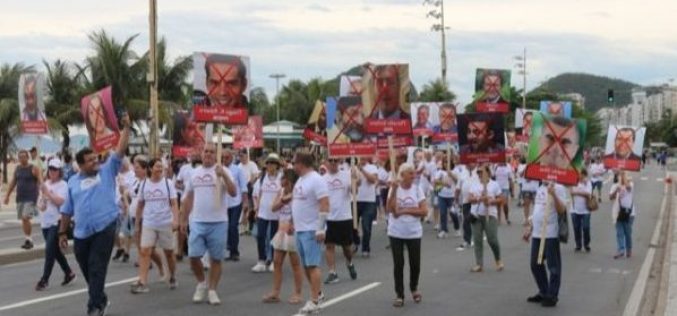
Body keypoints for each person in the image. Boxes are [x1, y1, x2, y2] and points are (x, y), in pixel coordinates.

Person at [57, 113, 130, 316]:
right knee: (87, 269)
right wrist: (62, 233)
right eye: (90, 161)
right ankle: (101, 297)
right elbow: (66, 210)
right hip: (81, 232)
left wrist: (126, 129)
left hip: (105, 226)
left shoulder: (107, 170)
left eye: (95, 158)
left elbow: (120, 150)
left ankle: (94, 307)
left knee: (97, 267)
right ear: (80, 165)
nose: (95, 161)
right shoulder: (72, 182)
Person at [180, 143, 237, 305]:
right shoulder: (194, 173)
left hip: (218, 221)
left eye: (212, 152)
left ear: (216, 154)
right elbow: (188, 197)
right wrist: (184, 219)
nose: (208, 154)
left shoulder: (223, 171)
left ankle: (212, 290)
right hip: (197, 221)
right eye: (206, 151)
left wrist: (223, 176)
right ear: (201, 153)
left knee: (216, 259)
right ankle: (201, 283)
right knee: (193, 256)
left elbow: (233, 192)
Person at [129, 158, 180, 294]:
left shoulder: (168, 184)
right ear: (151, 169)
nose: (159, 169)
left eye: (161, 167)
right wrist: (137, 225)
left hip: (165, 222)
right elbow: (140, 205)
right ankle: (143, 282)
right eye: (157, 166)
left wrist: (176, 220)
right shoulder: (144, 184)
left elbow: (174, 203)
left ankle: (173, 275)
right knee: (145, 251)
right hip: (149, 223)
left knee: (169, 253)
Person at [291, 152, 330, 315]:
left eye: (294, 163)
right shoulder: (300, 180)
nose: (292, 166)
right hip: (300, 229)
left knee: (313, 265)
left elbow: (325, 203)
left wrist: (321, 228)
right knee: (306, 265)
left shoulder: (316, 179)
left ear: (302, 163)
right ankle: (318, 294)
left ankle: (314, 300)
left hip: (312, 229)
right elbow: (298, 202)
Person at [386, 163, 427, 307]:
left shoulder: (417, 189)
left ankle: (413, 287)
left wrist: (405, 211)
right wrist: (394, 190)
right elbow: (389, 209)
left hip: (414, 232)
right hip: (396, 232)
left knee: (415, 264)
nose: (413, 176)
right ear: (402, 176)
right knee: (398, 264)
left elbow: (424, 211)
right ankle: (399, 294)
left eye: (413, 173)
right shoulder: (394, 188)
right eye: (410, 173)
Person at [262, 169, 304, 305]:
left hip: (292, 230)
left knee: (295, 264)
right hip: (281, 230)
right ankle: (275, 292)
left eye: (283, 178)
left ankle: (298, 293)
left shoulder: (297, 193)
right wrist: (282, 201)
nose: (281, 180)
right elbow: (273, 208)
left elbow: (300, 210)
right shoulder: (280, 192)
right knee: (277, 262)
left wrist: (293, 223)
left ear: (290, 180)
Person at [35, 158, 76, 291]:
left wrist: (48, 194)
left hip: (57, 221)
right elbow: (40, 204)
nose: (52, 172)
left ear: (60, 171)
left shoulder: (63, 185)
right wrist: (42, 201)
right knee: (55, 251)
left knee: (49, 251)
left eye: (55, 169)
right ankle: (69, 273)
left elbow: (61, 202)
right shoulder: (45, 183)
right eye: (51, 169)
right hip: (45, 222)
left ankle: (44, 279)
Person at [524, 181, 567, 308]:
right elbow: (537, 211)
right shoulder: (540, 188)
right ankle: (544, 291)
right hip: (537, 233)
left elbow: (562, 210)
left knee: (553, 266)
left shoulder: (558, 187)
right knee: (535, 264)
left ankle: (552, 295)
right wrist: (530, 228)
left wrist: (553, 194)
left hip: (550, 234)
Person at [322, 157, 358, 284]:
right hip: (329, 218)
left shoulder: (346, 175)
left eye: (335, 161)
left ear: (339, 162)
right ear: (326, 162)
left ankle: (349, 262)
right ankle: (332, 272)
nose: (332, 163)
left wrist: (355, 181)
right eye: (330, 160)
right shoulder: (322, 179)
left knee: (346, 248)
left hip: (344, 217)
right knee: (329, 245)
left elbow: (354, 191)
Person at [4, 149, 42, 249]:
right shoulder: (17, 169)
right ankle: (28, 239)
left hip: (31, 197)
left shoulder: (33, 168)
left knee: (25, 217)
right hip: (20, 197)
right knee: (23, 220)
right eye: (20, 157)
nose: (21, 158)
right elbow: (13, 182)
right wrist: (7, 196)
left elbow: (40, 181)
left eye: (23, 157)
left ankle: (29, 239)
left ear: (27, 157)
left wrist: (41, 195)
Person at [468, 165, 504, 272]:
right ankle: (479, 264)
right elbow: (469, 199)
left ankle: (498, 259)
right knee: (477, 240)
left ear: (488, 173)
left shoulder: (494, 185)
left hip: (490, 215)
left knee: (492, 239)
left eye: (482, 172)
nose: (480, 174)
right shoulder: (474, 185)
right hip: (476, 215)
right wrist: (480, 198)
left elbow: (501, 199)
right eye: (478, 172)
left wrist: (491, 201)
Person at [252, 154, 282, 272]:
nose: (269, 166)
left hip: (276, 213)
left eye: (272, 163)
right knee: (260, 235)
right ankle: (261, 260)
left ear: (276, 165)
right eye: (268, 163)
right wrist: (257, 209)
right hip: (263, 212)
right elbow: (260, 193)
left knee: (274, 238)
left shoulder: (281, 177)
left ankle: (274, 261)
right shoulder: (263, 178)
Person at [222, 149, 249, 261]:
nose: (224, 160)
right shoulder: (220, 170)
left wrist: (245, 203)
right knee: (226, 227)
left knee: (233, 226)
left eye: (227, 157)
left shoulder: (237, 170)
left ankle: (234, 251)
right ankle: (229, 247)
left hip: (235, 203)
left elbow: (243, 187)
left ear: (231, 158)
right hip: (223, 204)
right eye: (223, 157)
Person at [355, 158, 379, 257]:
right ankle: (356, 242)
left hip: (369, 201)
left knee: (366, 226)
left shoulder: (372, 167)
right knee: (353, 226)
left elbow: (373, 180)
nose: (362, 158)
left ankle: (365, 248)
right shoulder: (352, 167)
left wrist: (362, 170)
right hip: (355, 200)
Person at [610, 171, 635, 259]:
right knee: (619, 233)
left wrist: (624, 177)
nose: (620, 177)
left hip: (629, 213)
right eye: (619, 175)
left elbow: (628, 188)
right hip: (618, 212)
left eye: (622, 175)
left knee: (627, 233)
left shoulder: (630, 184)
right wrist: (616, 190)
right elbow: (611, 197)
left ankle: (629, 249)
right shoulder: (615, 186)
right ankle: (621, 250)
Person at [434, 159, 459, 238]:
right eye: (444, 162)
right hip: (442, 196)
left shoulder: (455, 171)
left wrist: (451, 174)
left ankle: (457, 228)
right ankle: (444, 230)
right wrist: (443, 183)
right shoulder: (440, 172)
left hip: (452, 196)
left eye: (447, 162)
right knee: (443, 213)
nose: (445, 164)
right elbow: (435, 181)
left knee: (453, 213)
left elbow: (458, 181)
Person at [571, 169, 593, 252]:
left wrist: (577, 193)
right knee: (576, 228)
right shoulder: (573, 182)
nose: (578, 175)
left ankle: (586, 244)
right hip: (574, 209)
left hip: (585, 210)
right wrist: (580, 192)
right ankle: (578, 244)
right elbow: (571, 192)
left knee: (586, 227)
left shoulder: (588, 183)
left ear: (584, 175)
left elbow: (588, 194)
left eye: (580, 174)